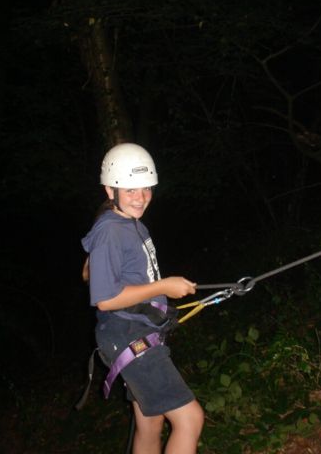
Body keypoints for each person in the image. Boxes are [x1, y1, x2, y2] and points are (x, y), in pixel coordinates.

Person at [81, 143, 204, 454]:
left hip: (136, 327)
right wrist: (163, 286)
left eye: (146, 188)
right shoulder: (111, 230)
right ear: (110, 190)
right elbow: (105, 299)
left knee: (150, 423)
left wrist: (162, 292)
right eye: (130, 190)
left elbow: (93, 271)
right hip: (127, 333)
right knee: (190, 419)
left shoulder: (130, 223)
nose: (140, 197)